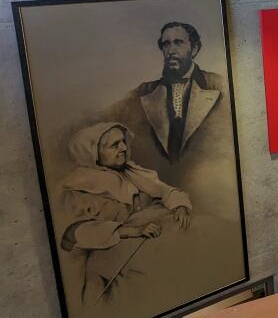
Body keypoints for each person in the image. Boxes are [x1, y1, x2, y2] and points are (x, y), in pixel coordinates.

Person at [60, 122, 192, 308]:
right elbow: (75, 233)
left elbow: (164, 190)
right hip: (103, 259)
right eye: (115, 145)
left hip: (143, 242)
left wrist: (180, 205)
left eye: (123, 142)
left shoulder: (132, 172)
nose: (123, 148)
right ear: (94, 153)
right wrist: (133, 231)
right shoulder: (78, 186)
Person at [110, 22, 228, 165]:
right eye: (166, 44)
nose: (171, 50)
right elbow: (109, 115)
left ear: (194, 49)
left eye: (178, 43)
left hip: (207, 174)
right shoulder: (145, 90)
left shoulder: (217, 84)